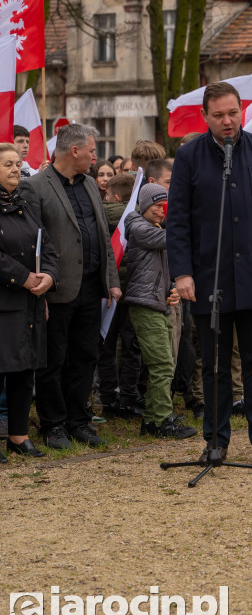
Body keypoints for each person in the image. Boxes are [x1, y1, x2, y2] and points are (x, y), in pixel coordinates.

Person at [167, 81, 252, 467]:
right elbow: (178, 221)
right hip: (209, 277)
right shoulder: (189, 156)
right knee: (216, 364)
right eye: (219, 114)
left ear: (242, 111)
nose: (227, 120)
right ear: (204, 116)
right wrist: (182, 273)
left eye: (232, 113)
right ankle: (216, 441)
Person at [19, 123, 121, 449]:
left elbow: (102, 235)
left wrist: (111, 281)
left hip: (91, 287)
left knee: (85, 357)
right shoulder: (35, 187)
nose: (95, 157)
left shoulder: (91, 184)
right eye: (91, 151)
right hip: (55, 290)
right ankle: (53, 424)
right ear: (74, 151)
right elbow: (31, 243)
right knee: (53, 360)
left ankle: (79, 421)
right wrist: (40, 293)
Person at [0, 143, 59, 461]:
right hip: (5, 301)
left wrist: (48, 276)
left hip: (31, 302)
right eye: (7, 163)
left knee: (24, 371)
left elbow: (46, 245)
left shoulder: (25, 204)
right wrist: (23, 277)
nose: (15, 168)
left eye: (18, 163)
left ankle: (18, 437)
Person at [125, 183, 197, 439]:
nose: (162, 210)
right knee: (163, 364)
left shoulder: (153, 227)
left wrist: (171, 288)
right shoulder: (139, 228)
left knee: (164, 363)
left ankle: (152, 419)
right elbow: (171, 240)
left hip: (158, 302)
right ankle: (162, 420)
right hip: (146, 305)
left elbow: (161, 267)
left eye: (165, 205)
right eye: (158, 205)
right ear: (145, 206)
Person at [98, 173, 142, 416]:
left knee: (105, 345)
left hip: (107, 291)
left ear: (113, 196)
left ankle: (107, 398)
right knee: (131, 347)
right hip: (133, 291)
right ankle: (128, 398)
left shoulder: (99, 214)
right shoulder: (140, 218)